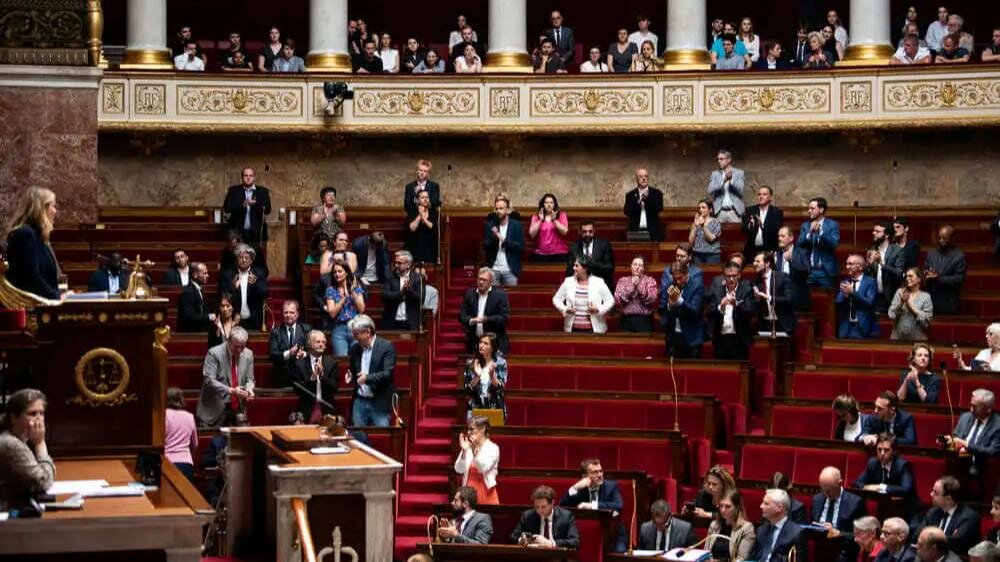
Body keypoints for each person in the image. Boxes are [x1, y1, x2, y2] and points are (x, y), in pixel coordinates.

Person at [0, 388, 54, 511]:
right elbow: (43, 482)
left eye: (41, 413)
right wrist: (40, 444)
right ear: (14, 417)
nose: (39, 419)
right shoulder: (11, 444)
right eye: (32, 414)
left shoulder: (20, 438)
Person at [197, 327, 255, 429]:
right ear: (229, 341)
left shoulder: (248, 354)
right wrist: (231, 390)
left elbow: (250, 379)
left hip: (237, 408)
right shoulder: (214, 353)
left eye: (242, 346)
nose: (239, 350)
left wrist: (249, 389)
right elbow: (209, 380)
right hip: (214, 409)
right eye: (236, 346)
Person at [346, 314, 396, 427]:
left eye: (356, 334)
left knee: (382, 434)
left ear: (368, 332)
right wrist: (350, 376)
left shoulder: (386, 346)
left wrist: (367, 378)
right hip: (360, 401)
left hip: (379, 401)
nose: (354, 337)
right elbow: (355, 372)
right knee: (358, 435)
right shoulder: (354, 348)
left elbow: (387, 374)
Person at [813, 466, 868, 562]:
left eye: (828, 490)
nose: (825, 493)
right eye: (823, 489)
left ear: (839, 484)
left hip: (843, 553)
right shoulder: (817, 499)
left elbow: (863, 535)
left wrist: (840, 534)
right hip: (820, 552)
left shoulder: (855, 503)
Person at [918, 476, 980, 555]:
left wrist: (928, 538)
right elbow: (917, 535)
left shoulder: (969, 517)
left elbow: (956, 543)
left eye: (935, 492)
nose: (931, 494)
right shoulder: (933, 512)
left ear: (948, 499)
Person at [553, 256, 615, 334]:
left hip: (594, 330)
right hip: (572, 329)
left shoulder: (599, 282)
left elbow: (610, 301)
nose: (573, 268)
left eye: (576, 266)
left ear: (585, 268)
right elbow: (556, 299)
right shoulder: (568, 281)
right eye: (574, 265)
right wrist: (565, 309)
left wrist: (598, 309)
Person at [945, 389, 1000, 476]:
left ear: (988, 409)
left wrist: (967, 445)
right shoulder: (965, 417)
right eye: (971, 405)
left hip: (980, 468)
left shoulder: (997, 425)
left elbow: (992, 451)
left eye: (975, 407)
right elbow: (956, 438)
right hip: (958, 462)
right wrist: (949, 441)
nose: (971, 410)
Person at [708, 260, 755, 360]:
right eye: (728, 276)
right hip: (721, 339)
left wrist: (736, 304)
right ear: (724, 277)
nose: (731, 279)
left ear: (739, 275)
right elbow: (710, 311)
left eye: (734, 276)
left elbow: (750, 310)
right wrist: (720, 306)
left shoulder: (746, 289)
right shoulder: (717, 291)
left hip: (740, 339)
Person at [289, 330, 337, 423]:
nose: (321, 344)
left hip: (327, 409)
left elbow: (334, 387)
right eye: (318, 342)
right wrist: (311, 379)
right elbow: (297, 389)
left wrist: (322, 377)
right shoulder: (300, 364)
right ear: (310, 344)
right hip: (306, 409)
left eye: (323, 342)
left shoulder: (331, 363)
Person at [219, 244, 269, 331]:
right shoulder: (228, 275)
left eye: (246, 258)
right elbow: (223, 296)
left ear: (251, 261)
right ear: (236, 259)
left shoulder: (258, 274)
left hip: (253, 319)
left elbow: (265, 294)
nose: (243, 260)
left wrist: (255, 284)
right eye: (241, 257)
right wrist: (233, 287)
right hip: (233, 318)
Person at [459, 268, 510, 353]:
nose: (481, 282)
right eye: (479, 279)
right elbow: (462, 315)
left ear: (491, 282)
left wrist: (486, 319)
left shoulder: (500, 295)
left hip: (495, 343)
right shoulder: (470, 294)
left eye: (484, 280)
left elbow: (504, 318)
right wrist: (471, 320)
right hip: (474, 342)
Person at [512, 485, 580, 548]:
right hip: (534, 554)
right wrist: (521, 540)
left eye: (543, 507)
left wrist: (551, 543)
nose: (539, 511)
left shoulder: (566, 516)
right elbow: (514, 536)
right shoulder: (528, 516)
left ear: (552, 503)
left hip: (556, 554)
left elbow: (575, 541)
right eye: (537, 507)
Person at [750, 489, 807, 562]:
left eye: (766, 504)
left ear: (779, 508)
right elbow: (753, 557)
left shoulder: (796, 533)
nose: (761, 506)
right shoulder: (761, 530)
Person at [661, 262, 704, 359]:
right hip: (673, 338)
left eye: (680, 278)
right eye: (675, 278)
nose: (677, 281)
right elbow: (662, 309)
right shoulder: (670, 285)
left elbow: (695, 311)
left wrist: (680, 301)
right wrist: (669, 306)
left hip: (692, 339)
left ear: (687, 274)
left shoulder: (697, 286)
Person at [223, 167, 271, 249]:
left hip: (256, 233)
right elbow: (227, 208)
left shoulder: (262, 191)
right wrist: (242, 204)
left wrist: (255, 204)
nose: (248, 178)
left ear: (254, 177)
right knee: (238, 256)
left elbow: (268, 210)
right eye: (246, 175)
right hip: (237, 233)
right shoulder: (234, 190)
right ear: (242, 178)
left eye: (251, 175)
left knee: (257, 256)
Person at [855, 434, 916, 498]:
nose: (882, 453)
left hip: (904, 503)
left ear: (894, 451)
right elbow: (857, 483)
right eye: (879, 449)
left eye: (886, 450)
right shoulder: (873, 463)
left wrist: (881, 487)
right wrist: (865, 487)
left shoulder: (902, 465)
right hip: (884, 502)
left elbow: (906, 489)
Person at [455, 416, 499, 505]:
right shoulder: (468, 447)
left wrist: (474, 451)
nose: (468, 432)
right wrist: (464, 451)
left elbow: (483, 468)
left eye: (471, 429)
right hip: (468, 494)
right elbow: (459, 469)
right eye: (468, 429)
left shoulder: (493, 448)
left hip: (485, 493)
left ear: (482, 429)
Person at [798, 198, 840, 288]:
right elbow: (799, 244)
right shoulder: (805, 225)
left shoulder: (832, 225)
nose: (809, 211)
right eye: (809, 208)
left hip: (825, 271)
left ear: (821, 210)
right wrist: (809, 233)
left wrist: (821, 232)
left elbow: (834, 244)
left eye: (812, 208)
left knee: (827, 296)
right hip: (809, 270)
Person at [924, 225, 966, 316]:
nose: (941, 241)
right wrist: (927, 274)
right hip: (930, 301)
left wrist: (938, 279)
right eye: (939, 238)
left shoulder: (959, 256)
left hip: (948, 302)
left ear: (952, 238)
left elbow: (959, 279)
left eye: (944, 238)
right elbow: (925, 271)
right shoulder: (931, 254)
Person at [464, 333, 508, 420]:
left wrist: (492, 376)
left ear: (492, 348)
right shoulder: (471, 363)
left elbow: (501, 387)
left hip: (495, 406)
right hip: (475, 407)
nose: (481, 345)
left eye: (485, 343)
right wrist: (478, 376)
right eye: (480, 342)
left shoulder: (500, 363)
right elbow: (467, 389)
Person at [704, 490, 756, 561]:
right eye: (721, 506)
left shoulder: (747, 528)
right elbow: (706, 553)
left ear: (737, 507)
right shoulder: (714, 525)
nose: (723, 510)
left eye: (728, 506)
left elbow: (742, 558)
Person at [484, 194, 524, 287]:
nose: (498, 211)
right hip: (494, 270)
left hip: (510, 270)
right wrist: (494, 237)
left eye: (501, 208)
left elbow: (520, 247)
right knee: (494, 295)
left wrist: (503, 240)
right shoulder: (490, 225)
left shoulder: (516, 225)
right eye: (496, 209)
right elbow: (486, 246)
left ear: (508, 210)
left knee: (512, 295)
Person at [267, 300, 310, 384]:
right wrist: (289, 353)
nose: (288, 315)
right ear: (282, 314)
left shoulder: (306, 329)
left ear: (297, 314)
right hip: (282, 377)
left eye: (291, 312)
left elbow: (313, 351)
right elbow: (272, 355)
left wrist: (304, 354)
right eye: (286, 312)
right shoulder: (276, 331)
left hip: (302, 376)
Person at [753, 252, 796, 335]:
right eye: (754, 261)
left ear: (767, 263)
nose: (754, 264)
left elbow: (790, 299)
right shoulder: (756, 281)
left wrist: (769, 298)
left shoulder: (782, 277)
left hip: (782, 323)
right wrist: (757, 299)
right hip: (764, 324)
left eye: (757, 261)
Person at [869, 221, 907, 314]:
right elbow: (869, 274)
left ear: (886, 235)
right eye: (874, 230)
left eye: (878, 231)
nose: (874, 233)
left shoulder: (898, 251)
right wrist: (868, 264)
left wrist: (882, 263)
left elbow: (899, 273)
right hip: (875, 297)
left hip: (891, 297)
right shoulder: (872, 249)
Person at [614, 256, 658, 333]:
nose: (637, 267)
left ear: (643, 268)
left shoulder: (650, 280)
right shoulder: (623, 280)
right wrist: (630, 290)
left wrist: (639, 288)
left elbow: (652, 299)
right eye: (634, 264)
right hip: (626, 320)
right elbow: (618, 299)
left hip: (644, 321)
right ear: (631, 266)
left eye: (640, 265)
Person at [565, 221, 615, 288]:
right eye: (584, 232)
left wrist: (592, 263)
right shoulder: (574, 248)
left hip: (601, 285)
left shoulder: (604, 245)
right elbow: (569, 271)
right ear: (579, 232)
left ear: (594, 231)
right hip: (580, 284)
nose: (587, 234)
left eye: (590, 231)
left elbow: (610, 268)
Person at [381, 250, 422, 331]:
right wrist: (401, 293)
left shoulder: (417, 278)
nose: (396, 265)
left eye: (399, 263)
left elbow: (421, 298)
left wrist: (409, 291)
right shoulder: (389, 277)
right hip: (392, 322)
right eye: (395, 263)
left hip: (411, 322)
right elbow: (384, 296)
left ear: (408, 264)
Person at [889, 268, 933, 341]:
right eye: (906, 276)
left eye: (911, 276)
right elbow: (891, 314)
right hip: (897, 339)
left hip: (918, 341)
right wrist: (901, 303)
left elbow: (926, 322)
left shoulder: (926, 297)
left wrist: (912, 308)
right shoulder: (900, 292)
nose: (907, 278)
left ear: (919, 279)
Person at [165, 387, 198, 481]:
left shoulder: (164, 415)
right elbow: (195, 444)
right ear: (181, 399)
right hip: (186, 463)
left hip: (167, 461)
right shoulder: (189, 416)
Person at [623, 168, 664, 240]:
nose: (644, 178)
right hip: (635, 231)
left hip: (653, 232)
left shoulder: (657, 193)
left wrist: (646, 199)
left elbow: (658, 209)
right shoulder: (630, 195)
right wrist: (638, 202)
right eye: (640, 176)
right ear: (636, 179)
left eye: (646, 176)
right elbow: (627, 211)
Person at [777, 226, 811, 312]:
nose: (779, 238)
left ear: (791, 238)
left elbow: (806, 271)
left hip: (798, 300)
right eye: (778, 236)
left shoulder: (802, 252)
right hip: (780, 300)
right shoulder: (777, 254)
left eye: (782, 236)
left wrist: (791, 260)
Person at [529, 194, 569, 263]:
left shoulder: (562, 215)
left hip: (559, 252)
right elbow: (532, 234)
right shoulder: (536, 217)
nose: (549, 205)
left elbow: (564, 232)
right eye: (546, 202)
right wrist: (540, 220)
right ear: (543, 204)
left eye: (551, 203)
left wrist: (554, 220)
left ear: (555, 204)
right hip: (541, 253)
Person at [708, 150, 745, 224]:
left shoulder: (739, 173)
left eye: (721, 159)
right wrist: (723, 181)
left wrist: (731, 180)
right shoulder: (715, 174)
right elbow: (710, 190)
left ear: (729, 160)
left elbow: (740, 190)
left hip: (735, 211)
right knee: (716, 231)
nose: (719, 161)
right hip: (719, 211)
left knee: (737, 231)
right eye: (718, 159)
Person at [177, 262, 214, 333]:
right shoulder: (188, 292)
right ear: (195, 275)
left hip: (200, 330)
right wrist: (208, 317)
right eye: (204, 273)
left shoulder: (199, 289)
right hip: (191, 333)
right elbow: (190, 316)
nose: (207, 275)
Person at [405, 190, 439, 264]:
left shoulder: (434, 213)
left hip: (430, 243)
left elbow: (433, 227)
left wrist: (424, 218)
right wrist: (420, 215)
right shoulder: (412, 212)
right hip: (415, 243)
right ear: (417, 200)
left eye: (427, 197)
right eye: (423, 197)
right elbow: (412, 228)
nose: (425, 199)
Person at [691, 199, 722, 264]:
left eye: (703, 207)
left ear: (710, 210)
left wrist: (703, 226)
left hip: (712, 254)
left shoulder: (716, 222)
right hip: (697, 254)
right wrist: (695, 226)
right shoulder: (696, 223)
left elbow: (711, 239)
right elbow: (691, 241)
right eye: (699, 208)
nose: (700, 210)